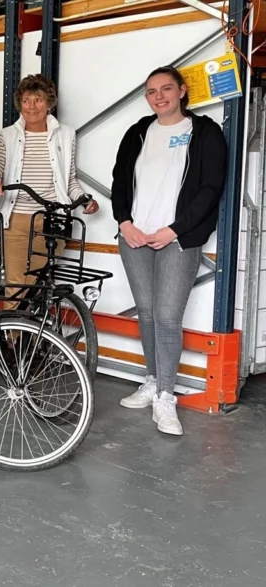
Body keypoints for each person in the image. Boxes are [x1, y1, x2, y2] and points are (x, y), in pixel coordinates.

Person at [111, 66, 227, 436]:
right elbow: (119, 180)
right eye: (151, 91)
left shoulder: (204, 132)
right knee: (146, 313)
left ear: (181, 91)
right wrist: (124, 223)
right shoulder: (138, 132)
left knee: (166, 318)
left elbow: (211, 188)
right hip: (135, 237)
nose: (158, 97)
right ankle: (152, 380)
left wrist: (174, 230)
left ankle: (165, 396)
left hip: (178, 239)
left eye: (165, 89)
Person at [0, 74, 99, 305]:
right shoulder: (8, 135)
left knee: (38, 284)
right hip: (16, 220)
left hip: (52, 220)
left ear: (49, 103)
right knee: (16, 285)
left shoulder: (66, 135)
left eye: (38, 100)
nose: (32, 106)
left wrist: (84, 199)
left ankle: (31, 327)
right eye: (26, 100)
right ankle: (12, 329)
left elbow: (69, 180)